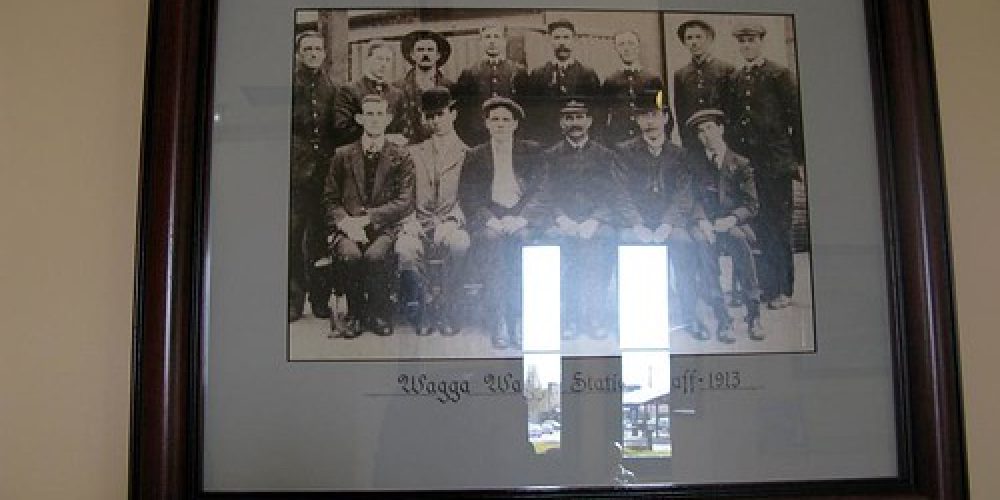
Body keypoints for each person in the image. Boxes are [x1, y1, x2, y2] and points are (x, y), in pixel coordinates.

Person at [533, 97, 634, 339]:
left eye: (579, 117)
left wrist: (595, 220)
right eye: (569, 118)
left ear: (589, 121)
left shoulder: (606, 155)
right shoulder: (550, 156)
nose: (575, 123)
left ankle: (594, 317)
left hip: (597, 223)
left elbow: (614, 195)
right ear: (561, 123)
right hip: (561, 222)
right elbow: (545, 193)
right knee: (557, 252)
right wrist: (562, 220)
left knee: (597, 250)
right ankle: (568, 318)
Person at [613, 89, 708, 338]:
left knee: (684, 244)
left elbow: (684, 194)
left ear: (665, 118)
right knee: (628, 243)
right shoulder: (623, 152)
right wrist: (637, 225)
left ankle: (690, 316)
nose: (649, 122)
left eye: (655, 115)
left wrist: (668, 224)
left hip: (669, 221)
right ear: (636, 121)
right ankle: (635, 319)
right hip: (637, 222)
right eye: (643, 116)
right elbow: (620, 193)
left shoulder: (680, 154)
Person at [723, 21, 804, 310]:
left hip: (774, 163)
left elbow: (797, 118)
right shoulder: (735, 78)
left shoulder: (779, 75)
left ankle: (781, 289)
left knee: (777, 225)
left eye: (752, 40)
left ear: (761, 42)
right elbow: (731, 122)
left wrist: (795, 160)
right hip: (747, 165)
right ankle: (754, 289)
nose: (747, 46)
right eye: (742, 41)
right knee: (751, 225)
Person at [323, 94, 415, 337]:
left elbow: (404, 202)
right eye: (369, 114)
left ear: (388, 119)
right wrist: (345, 222)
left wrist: (368, 219)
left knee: (376, 256)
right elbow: (330, 199)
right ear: (360, 119)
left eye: (380, 115)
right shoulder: (342, 155)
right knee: (351, 256)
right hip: (348, 227)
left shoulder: (401, 155)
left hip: (384, 227)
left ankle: (378, 312)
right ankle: (355, 313)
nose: (375, 120)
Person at [458, 96, 545, 349]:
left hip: (521, 216)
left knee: (523, 247)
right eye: (494, 120)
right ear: (486, 124)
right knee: (493, 247)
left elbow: (541, 190)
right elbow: (468, 195)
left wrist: (522, 218)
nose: (500, 125)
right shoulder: (475, 155)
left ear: (515, 124)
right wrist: (489, 220)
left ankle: (517, 318)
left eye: (506, 120)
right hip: (490, 218)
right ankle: (499, 321)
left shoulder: (531, 151)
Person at [395, 87, 471, 336]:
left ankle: (447, 305)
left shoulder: (468, 154)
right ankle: (426, 304)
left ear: (454, 114)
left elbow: (469, 197)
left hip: (450, 222)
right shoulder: (413, 152)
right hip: (419, 221)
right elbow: (403, 192)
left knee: (460, 244)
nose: (435, 121)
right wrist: (408, 220)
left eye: (440, 114)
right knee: (405, 249)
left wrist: (452, 220)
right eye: (430, 116)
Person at [686, 109, 763, 342]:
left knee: (740, 241)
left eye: (709, 128)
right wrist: (702, 222)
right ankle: (723, 319)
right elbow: (692, 199)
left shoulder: (740, 163)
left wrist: (731, 219)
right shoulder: (695, 164)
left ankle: (754, 315)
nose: (705, 135)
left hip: (731, 223)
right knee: (702, 246)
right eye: (700, 131)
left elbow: (752, 204)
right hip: (705, 225)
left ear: (721, 129)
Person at [289, 30, 340, 322]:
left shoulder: (331, 87)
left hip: (323, 174)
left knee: (320, 237)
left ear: (323, 53)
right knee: (294, 237)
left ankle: (320, 300)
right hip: (296, 176)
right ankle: (294, 301)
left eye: (317, 49)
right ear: (298, 53)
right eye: (306, 49)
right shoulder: (290, 85)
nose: (312, 53)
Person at [524, 19, 601, 146]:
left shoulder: (587, 74)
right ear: (549, 40)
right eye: (557, 38)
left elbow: (596, 111)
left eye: (566, 37)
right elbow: (532, 111)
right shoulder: (538, 74)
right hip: (546, 140)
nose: (562, 42)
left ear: (574, 40)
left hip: (578, 139)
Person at [453, 21, 530, 147]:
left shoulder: (517, 71)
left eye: (496, 36)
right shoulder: (470, 73)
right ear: (481, 42)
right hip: (479, 137)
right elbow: (464, 112)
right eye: (487, 37)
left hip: (511, 135)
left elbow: (526, 107)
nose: (492, 41)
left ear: (504, 41)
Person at [672, 19, 734, 149]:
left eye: (699, 37)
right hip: (694, 141)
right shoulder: (680, 75)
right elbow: (681, 113)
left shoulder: (726, 69)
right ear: (684, 42)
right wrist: (687, 142)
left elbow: (732, 108)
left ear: (709, 39)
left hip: (723, 139)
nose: (694, 42)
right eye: (689, 38)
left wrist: (729, 139)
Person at [334, 41, 405, 145]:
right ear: (367, 60)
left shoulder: (397, 94)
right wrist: (381, 138)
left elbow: (400, 128)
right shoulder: (349, 90)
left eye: (388, 60)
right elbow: (342, 128)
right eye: (379, 59)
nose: (383, 64)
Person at [600, 31, 665, 145]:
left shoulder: (652, 79)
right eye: (621, 44)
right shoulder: (610, 81)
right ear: (616, 48)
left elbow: (662, 110)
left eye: (631, 43)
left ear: (638, 47)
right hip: (618, 139)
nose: (626, 48)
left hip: (645, 139)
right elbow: (603, 114)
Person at [397, 30, 454, 143]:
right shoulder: (398, 88)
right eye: (420, 50)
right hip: (408, 149)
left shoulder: (450, 87)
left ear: (438, 55)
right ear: (412, 55)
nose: (425, 54)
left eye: (430, 50)